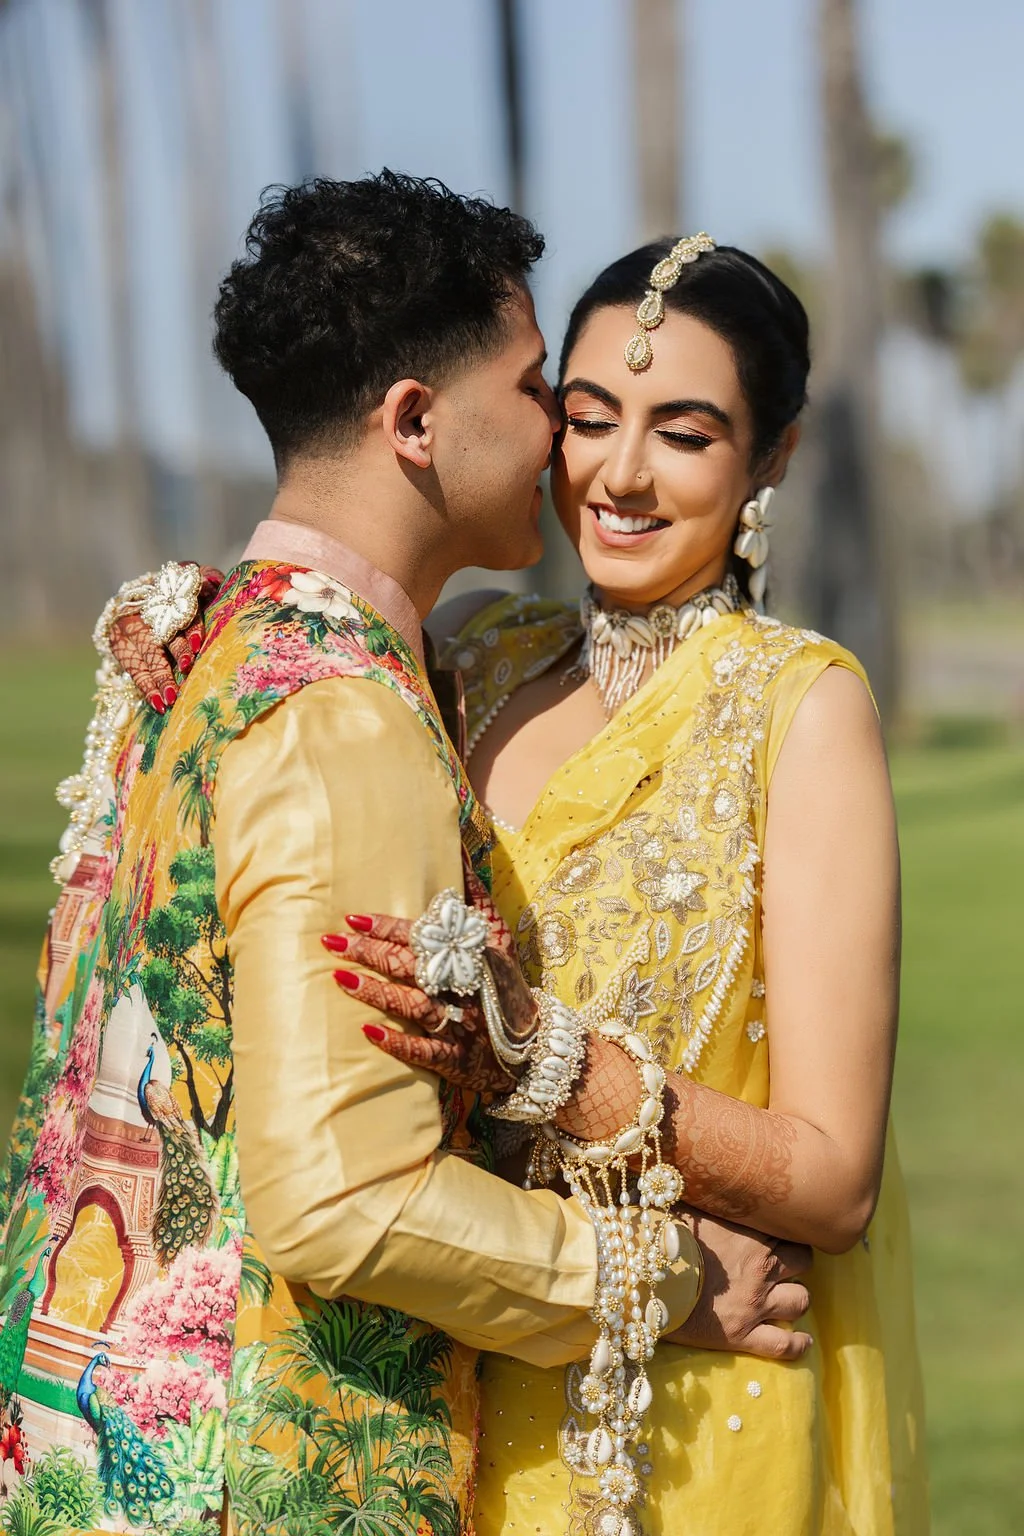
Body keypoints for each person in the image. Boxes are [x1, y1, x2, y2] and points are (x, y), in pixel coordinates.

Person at [0, 178, 813, 1536]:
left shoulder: (203, 645)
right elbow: (350, 1200)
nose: (562, 426)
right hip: (250, 1480)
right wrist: (658, 1277)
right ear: (417, 422)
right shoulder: (342, 715)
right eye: (539, 383)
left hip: (74, 1442)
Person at [310, 237, 931, 1533]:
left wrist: (540, 1055)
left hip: (689, 1427)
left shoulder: (799, 709)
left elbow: (833, 1177)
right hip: (456, 1387)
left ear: (775, 457)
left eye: (686, 433)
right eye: (586, 418)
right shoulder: (478, 663)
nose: (620, 474)